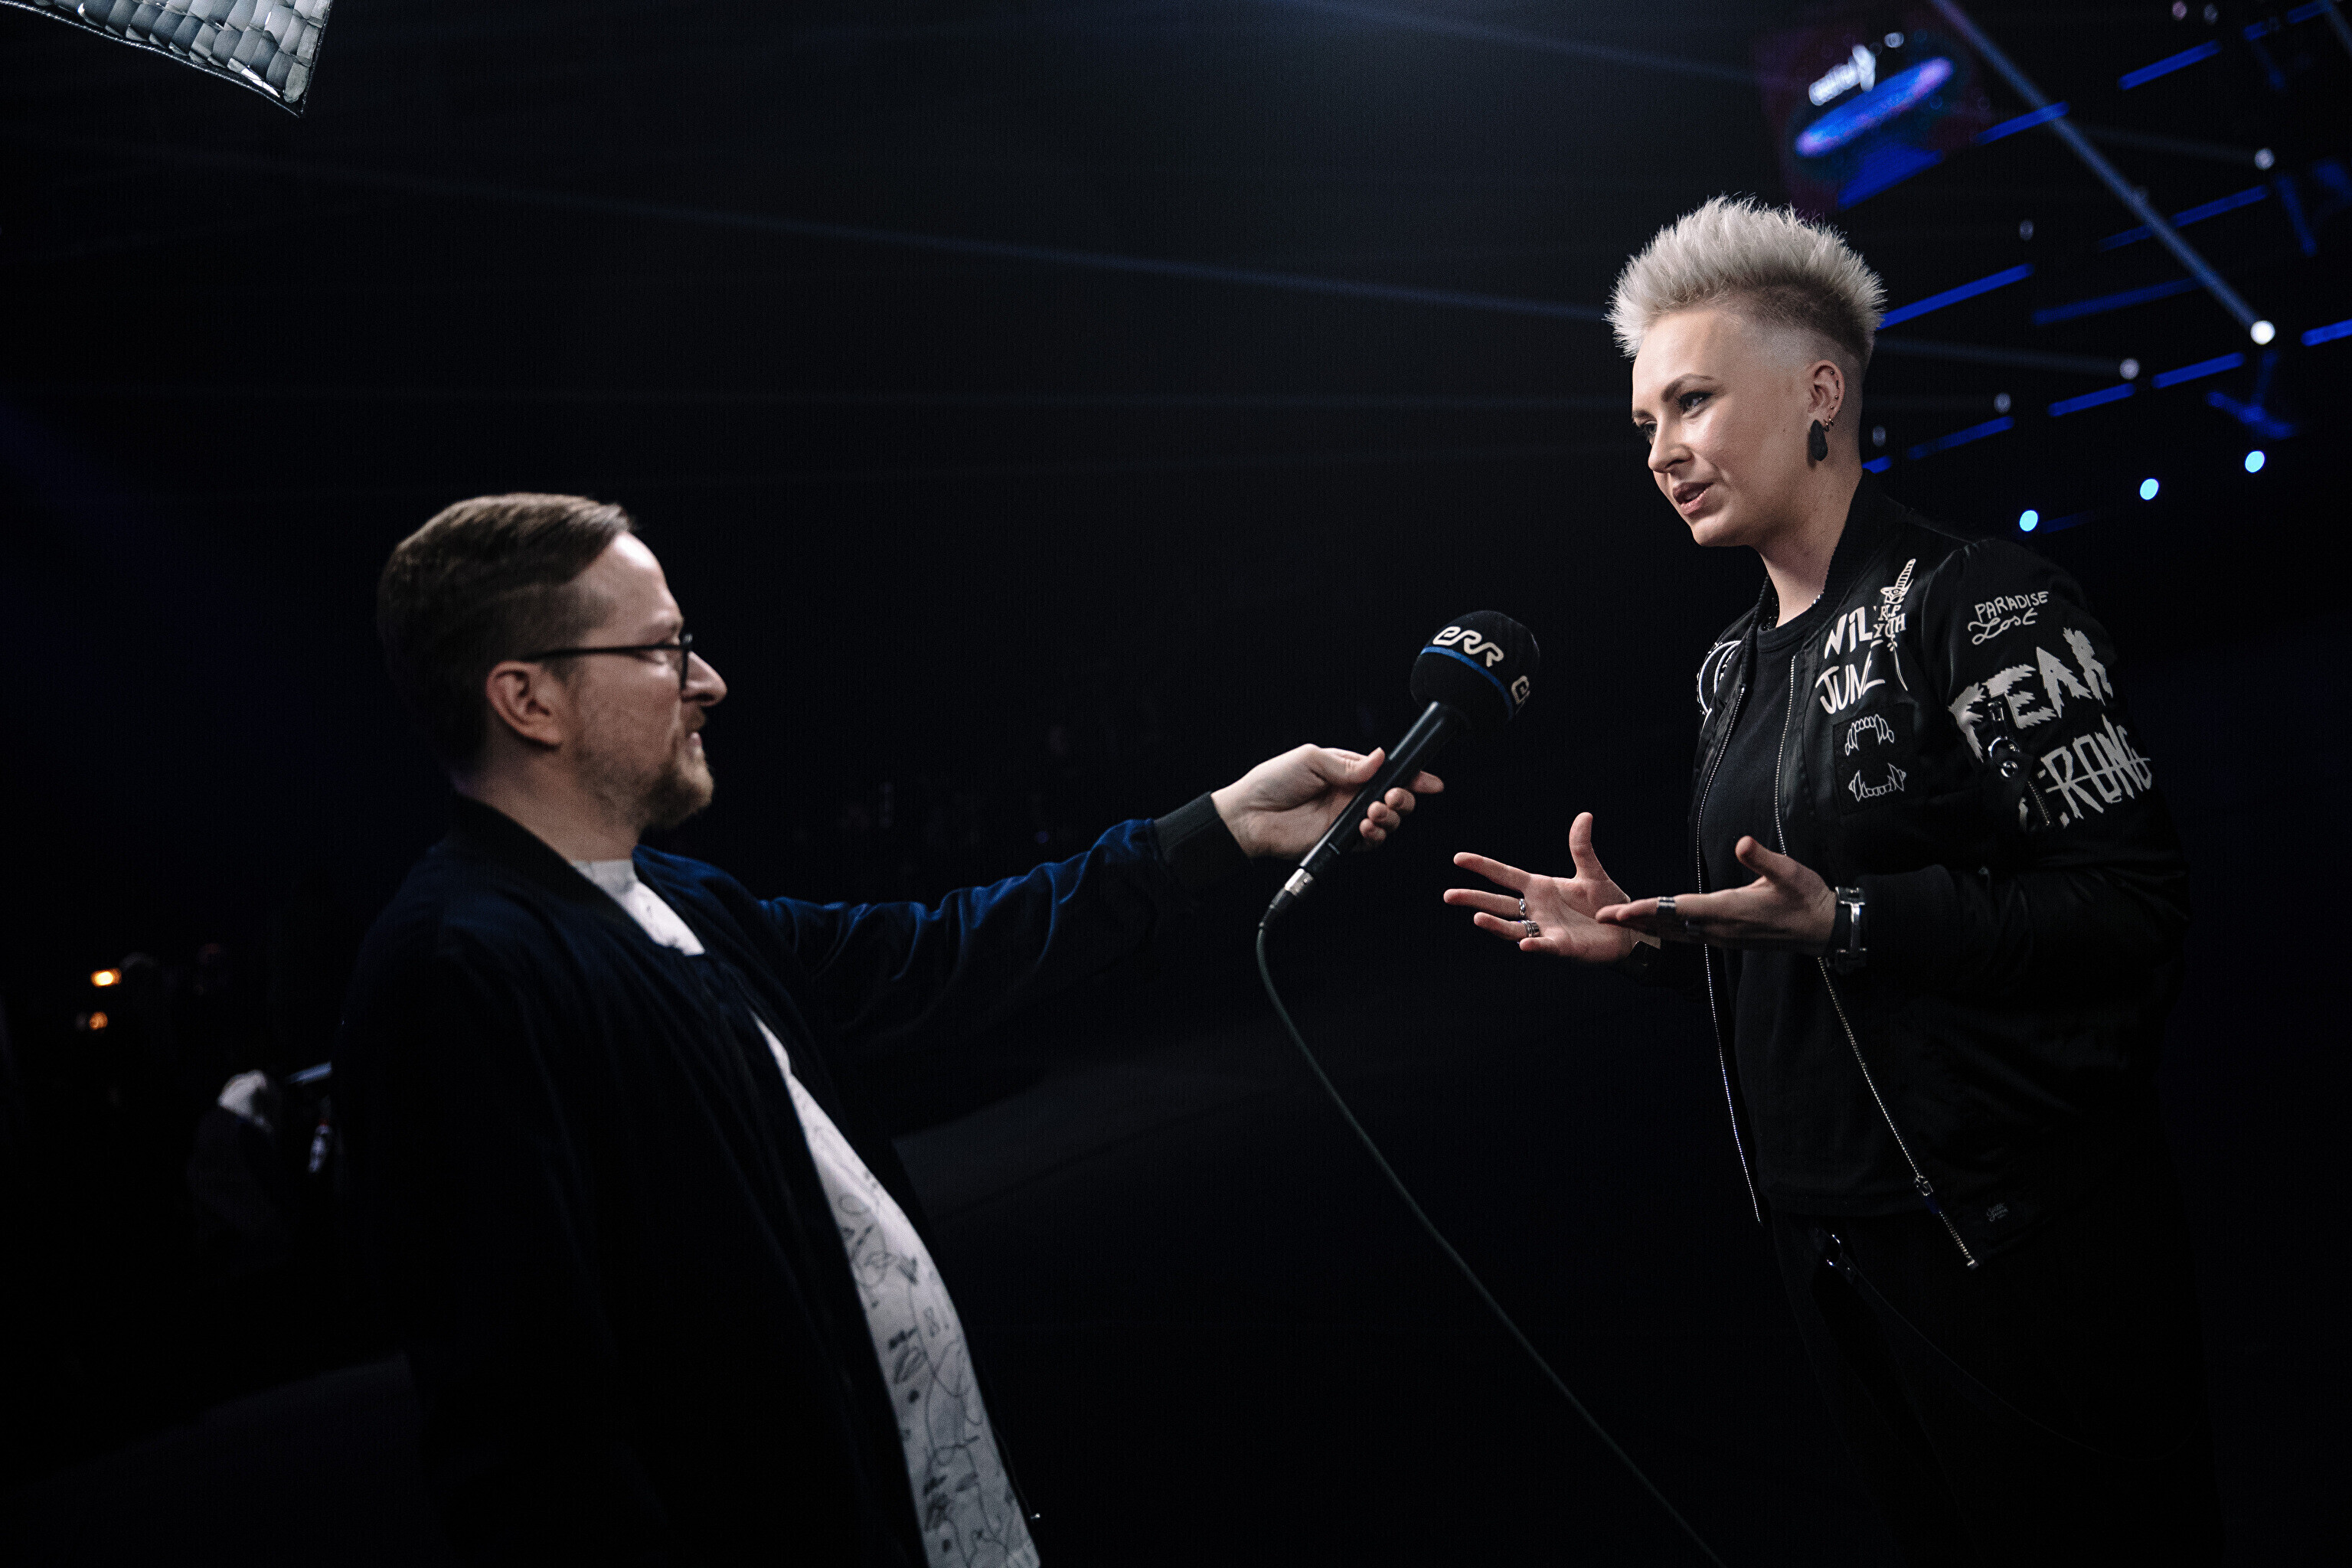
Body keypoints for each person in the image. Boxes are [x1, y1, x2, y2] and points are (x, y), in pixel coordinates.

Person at [338, 495, 1439, 1567]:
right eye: (664, 650)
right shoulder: (460, 970)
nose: (707, 682)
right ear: (529, 699)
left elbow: (940, 952)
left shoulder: (681, 899)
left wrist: (1222, 826)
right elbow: (532, 1447)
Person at [1443, 198, 2219, 1565]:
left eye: (1692, 401)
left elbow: (2132, 912)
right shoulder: (1728, 671)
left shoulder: (1983, 603)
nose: (1662, 451)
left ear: (1819, 392)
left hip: (2012, 1241)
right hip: (1831, 1250)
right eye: (1645, 423)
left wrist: (1855, 919)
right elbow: (1795, 935)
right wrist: (1653, 942)